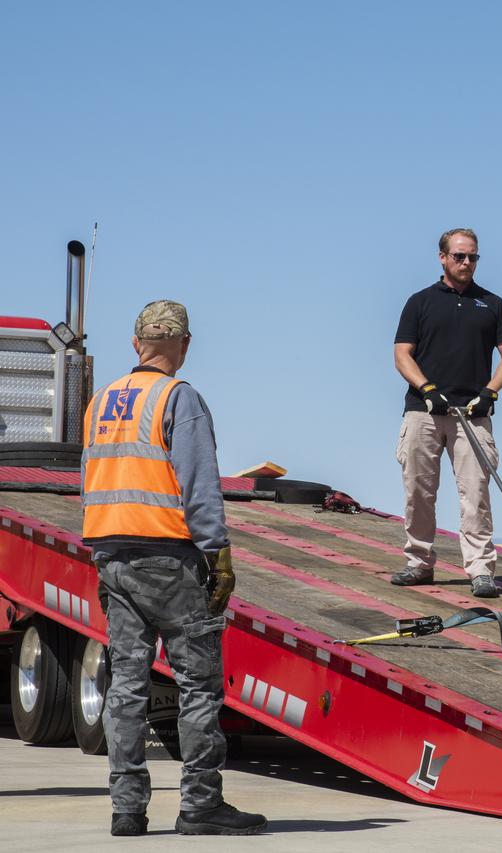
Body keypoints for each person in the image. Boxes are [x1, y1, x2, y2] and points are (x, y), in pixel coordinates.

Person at [81, 300, 266, 837]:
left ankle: (127, 810)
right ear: (184, 345)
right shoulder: (178, 397)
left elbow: (91, 475)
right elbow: (198, 481)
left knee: (126, 686)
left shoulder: (100, 401)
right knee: (198, 684)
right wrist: (219, 554)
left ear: (135, 343)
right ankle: (200, 804)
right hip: (169, 557)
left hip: (112, 555)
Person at [392, 228, 502, 598]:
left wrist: (490, 392)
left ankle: (481, 570)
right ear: (443, 257)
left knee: (476, 492)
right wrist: (427, 388)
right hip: (424, 411)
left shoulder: (492, 304)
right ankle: (419, 562)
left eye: (473, 257)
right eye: (459, 256)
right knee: (418, 490)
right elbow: (402, 354)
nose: (466, 262)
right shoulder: (420, 302)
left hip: (472, 414)